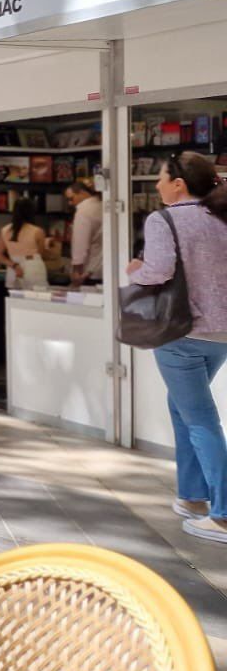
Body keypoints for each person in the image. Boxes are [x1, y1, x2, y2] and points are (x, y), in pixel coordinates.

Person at [126, 152, 227, 544]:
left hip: (180, 333)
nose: (156, 185)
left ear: (178, 184)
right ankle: (192, 498)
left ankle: (221, 514)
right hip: (220, 335)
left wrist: (136, 270)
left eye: (161, 178)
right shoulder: (221, 216)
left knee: (200, 417)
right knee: (183, 408)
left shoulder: (163, 219)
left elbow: (159, 270)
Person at [0, 200, 48, 290]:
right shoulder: (37, 231)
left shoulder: (5, 230)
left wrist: (14, 265)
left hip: (13, 268)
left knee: (14, 301)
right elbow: (41, 254)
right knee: (37, 300)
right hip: (33, 266)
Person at [66, 179, 104, 288]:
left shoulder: (83, 211)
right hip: (104, 269)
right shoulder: (103, 206)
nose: (70, 203)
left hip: (88, 273)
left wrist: (76, 270)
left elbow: (80, 244)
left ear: (82, 193)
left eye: (71, 198)